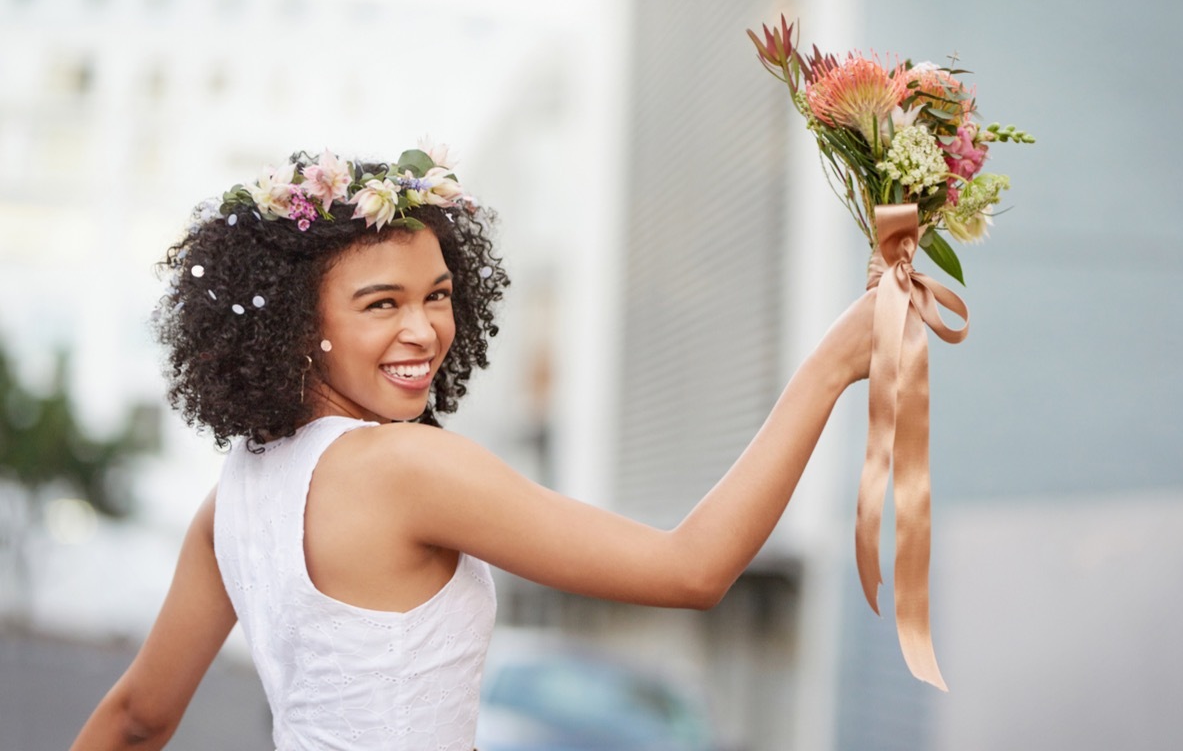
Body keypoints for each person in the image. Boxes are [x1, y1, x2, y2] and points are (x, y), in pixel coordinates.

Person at [70, 143, 874, 750]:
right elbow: (691, 570)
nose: (423, 330)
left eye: (439, 295)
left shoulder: (235, 496)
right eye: (381, 304)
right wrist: (831, 365)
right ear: (297, 326)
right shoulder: (404, 467)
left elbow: (138, 718)